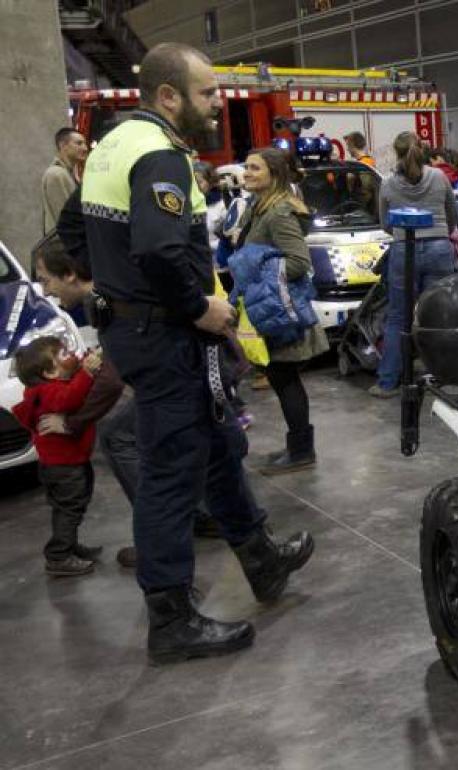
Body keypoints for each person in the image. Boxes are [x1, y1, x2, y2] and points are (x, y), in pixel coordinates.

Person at [81, 43, 314, 664]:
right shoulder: (158, 153)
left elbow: (73, 238)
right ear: (168, 97)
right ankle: (171, 617)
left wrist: (114, 293)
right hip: (164, 335)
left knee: (213, 449)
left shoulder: (109, 146)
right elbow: (160, 251)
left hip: (138, 328)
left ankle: (261, 559)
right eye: (208, 93)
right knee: (170, 471)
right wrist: (195, 307)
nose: (218, 102)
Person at [31, 234, 228, 568]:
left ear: (69, 273)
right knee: (195, 441)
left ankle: (163, 536)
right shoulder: (110, 287)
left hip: (185, 373)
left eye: (46, 280)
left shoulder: (101, 298)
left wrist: (73, 422)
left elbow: (110, 379)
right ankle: (203, 520)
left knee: (119, 436)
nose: (46, 291)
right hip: (191, 370)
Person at [237, 147, 330, 471]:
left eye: (254, 168)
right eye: (246, 167)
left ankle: (302, 452)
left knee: (284, 377)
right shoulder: (259, 207)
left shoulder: (279, 213)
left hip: (281, 313)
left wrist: (260, 274)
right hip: (270, 309)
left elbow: (299, 261)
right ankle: (299, 448)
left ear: (274, 175)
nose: (246, 172)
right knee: (280, 377)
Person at [369, 133, 458, 398]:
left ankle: (387, 382)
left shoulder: (387, 184)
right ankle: (449, 379)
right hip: (438, 248)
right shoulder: (439, 177)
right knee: (439, 315)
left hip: (402, 250)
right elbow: (452, 215)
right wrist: (442, 230)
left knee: (398, 316)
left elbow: (385, 223)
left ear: (396, 154)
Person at [12, 339, 104, 576]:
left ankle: (68, 546)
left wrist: (84, 364)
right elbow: (70, 398)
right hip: (66, 468)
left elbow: (70, 383)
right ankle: (59, 556)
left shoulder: (46, 388)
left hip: (61, 465)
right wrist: (87, 372)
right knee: (70, 508)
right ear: (49, 372)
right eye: (63, 354)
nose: (71, 354)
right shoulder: (48, 392)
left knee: (66, 508)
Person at [43, 128, 88, 237]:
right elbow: (65, 218)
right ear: (63, 146)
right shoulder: (57, 174)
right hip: (65, 246)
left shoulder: (68, 173)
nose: (85, 148)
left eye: (85, 143)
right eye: (79, 143)